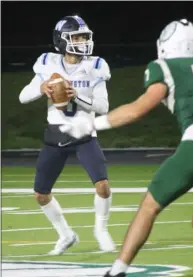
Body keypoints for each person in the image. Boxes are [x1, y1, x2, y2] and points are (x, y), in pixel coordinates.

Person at [60, 19, 193, 277]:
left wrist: (93, 124)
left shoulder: (164, 67)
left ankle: (117, 273)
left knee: (149, 207)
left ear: (166, 45)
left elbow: (139, 108)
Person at [19, 15, 116, 255]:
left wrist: (76, 97)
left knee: (103, 186)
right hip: (55, 134)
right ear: (61, 40)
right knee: (41, 194)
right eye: (76, 37)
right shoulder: (47, 63)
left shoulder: (95, 66)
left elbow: (103, 107)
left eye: (84, 37)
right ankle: (66, 235)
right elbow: (23, 96)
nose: (82, 42)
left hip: (84, 134)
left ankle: (101, 230)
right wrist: (40, 88)